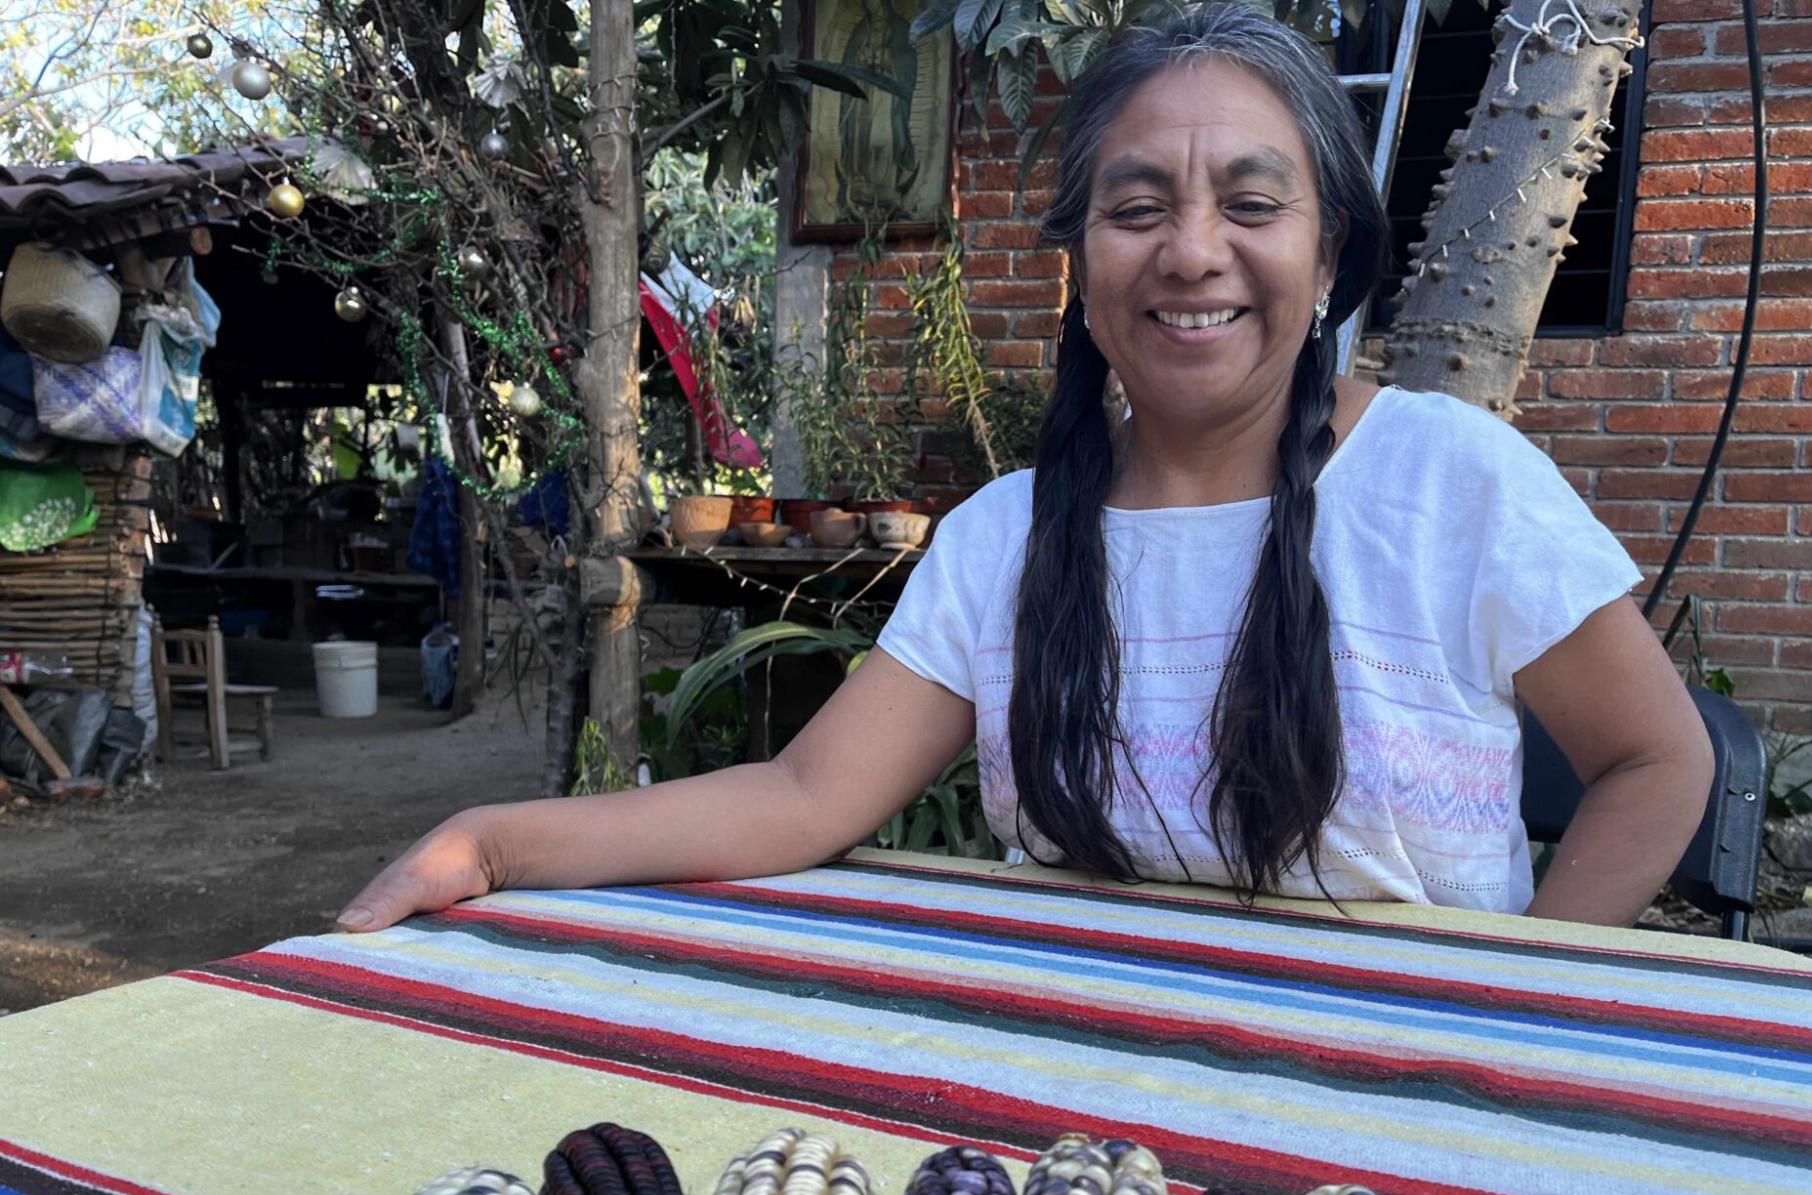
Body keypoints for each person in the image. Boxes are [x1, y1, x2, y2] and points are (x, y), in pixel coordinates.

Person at [339, 4, 1711, 937]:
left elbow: (1658, 760)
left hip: (1395, 1116)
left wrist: (1520, 1001)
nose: (1190, 252)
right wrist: (496, 845)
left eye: (1250, 203)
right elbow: (805, 798)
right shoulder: (1006, 539)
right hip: (1080, 1116)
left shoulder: (1453, 485)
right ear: (1081, 263)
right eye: (1136, 209)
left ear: (1333, 251)